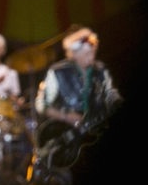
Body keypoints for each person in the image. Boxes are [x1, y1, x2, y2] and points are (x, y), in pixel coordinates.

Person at [31, 26, 122, 184]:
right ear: (74, 53)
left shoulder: (100, 72)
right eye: (87, 52)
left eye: (93, 51)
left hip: (94, 139)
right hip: (65, 142)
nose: (91, 55)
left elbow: (110, 96)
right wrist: (66, 116)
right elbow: (40, 104)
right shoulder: (57, 72)